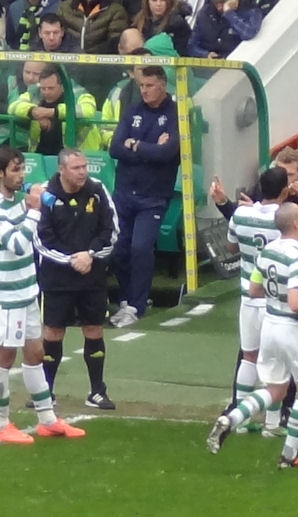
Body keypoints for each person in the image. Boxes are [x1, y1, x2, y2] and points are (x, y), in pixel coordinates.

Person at [207, 202, 298, 470]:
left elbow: (255, 289)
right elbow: (297, 302)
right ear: (295, 224)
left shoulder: (267, 250)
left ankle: (232, 419)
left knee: (275, 389)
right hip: (295, 328)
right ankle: (289, 456)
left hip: (269, 325)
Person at [0, 148, 90, 445]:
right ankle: (0, 423)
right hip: (5, 294)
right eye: (15, 170)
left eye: (23, 169)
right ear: (1, 173)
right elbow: (15, 243)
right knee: (4, 355)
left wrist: (34, 205)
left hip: (27, 290)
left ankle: (47, 419)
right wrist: (35, 211)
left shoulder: (18, 201)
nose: (21, 175)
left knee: (35, 353)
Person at [213, 166, 298, 436]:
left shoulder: (242, 214)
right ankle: (272, 422)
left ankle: (240, 418)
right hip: (274, 300)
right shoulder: (285, 220)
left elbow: (232, 247)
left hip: (247, 296)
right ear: (285, 190)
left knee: (249, 357)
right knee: (278, 362)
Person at [36, 150, 120, 409]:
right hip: (57, 278)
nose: (82, 172)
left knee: (94, 329)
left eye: (84, 166)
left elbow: (112, 230)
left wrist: (90, 255)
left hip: (91, 276)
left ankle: (97, 391)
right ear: (62, 170)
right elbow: (41, 239)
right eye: (76, 168)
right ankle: (45, 392)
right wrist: (72, 260)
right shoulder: (46, 196)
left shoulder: (98, 191)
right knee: (52, 332)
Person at [107, 66, 179, 327]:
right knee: (117, 248)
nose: (144, 90)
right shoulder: (133, 110)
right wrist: (150, 149)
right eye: (141, 86)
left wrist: (135, 145)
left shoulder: (174, 114)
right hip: (124, 193)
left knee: (140, 248)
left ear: (162, 85)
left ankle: (136, 306)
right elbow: (115, 148)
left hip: (153, 197)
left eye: (149, 85)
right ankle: (128, 300)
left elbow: (169, 153)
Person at [10, 65, 100, 155]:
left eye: (51, 88)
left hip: (77, 155)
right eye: (43, 88)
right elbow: (13, 107)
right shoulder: (34, 92)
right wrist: (33, 112)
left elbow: (88, 110)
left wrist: (53, 112)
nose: (46, 92)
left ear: (62, 86)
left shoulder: (79, 94)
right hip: (40, 154)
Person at [188, 0, 259, 57]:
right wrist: (205, 54)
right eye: (216, 3)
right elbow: (191, 46)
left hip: (243, 57)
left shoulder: (248, 7)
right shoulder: (204, 14)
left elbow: (249, 33)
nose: (219, 8)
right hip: (216, 65)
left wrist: (229, 13)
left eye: (222, 2)